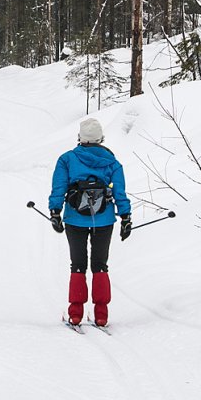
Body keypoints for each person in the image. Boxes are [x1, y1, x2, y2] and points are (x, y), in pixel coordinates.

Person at [48, 117, 131, 327]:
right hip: (104, 220)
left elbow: (59, 188)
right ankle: (101, 314)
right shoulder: (112, 162)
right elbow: (119, 192)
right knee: (100, 265)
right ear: (101, 138)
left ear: (80, 138)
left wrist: (55, 212)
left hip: (75, 219)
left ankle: (75, 313)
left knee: (77, 265)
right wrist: (126, 217)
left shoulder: (67, 159)